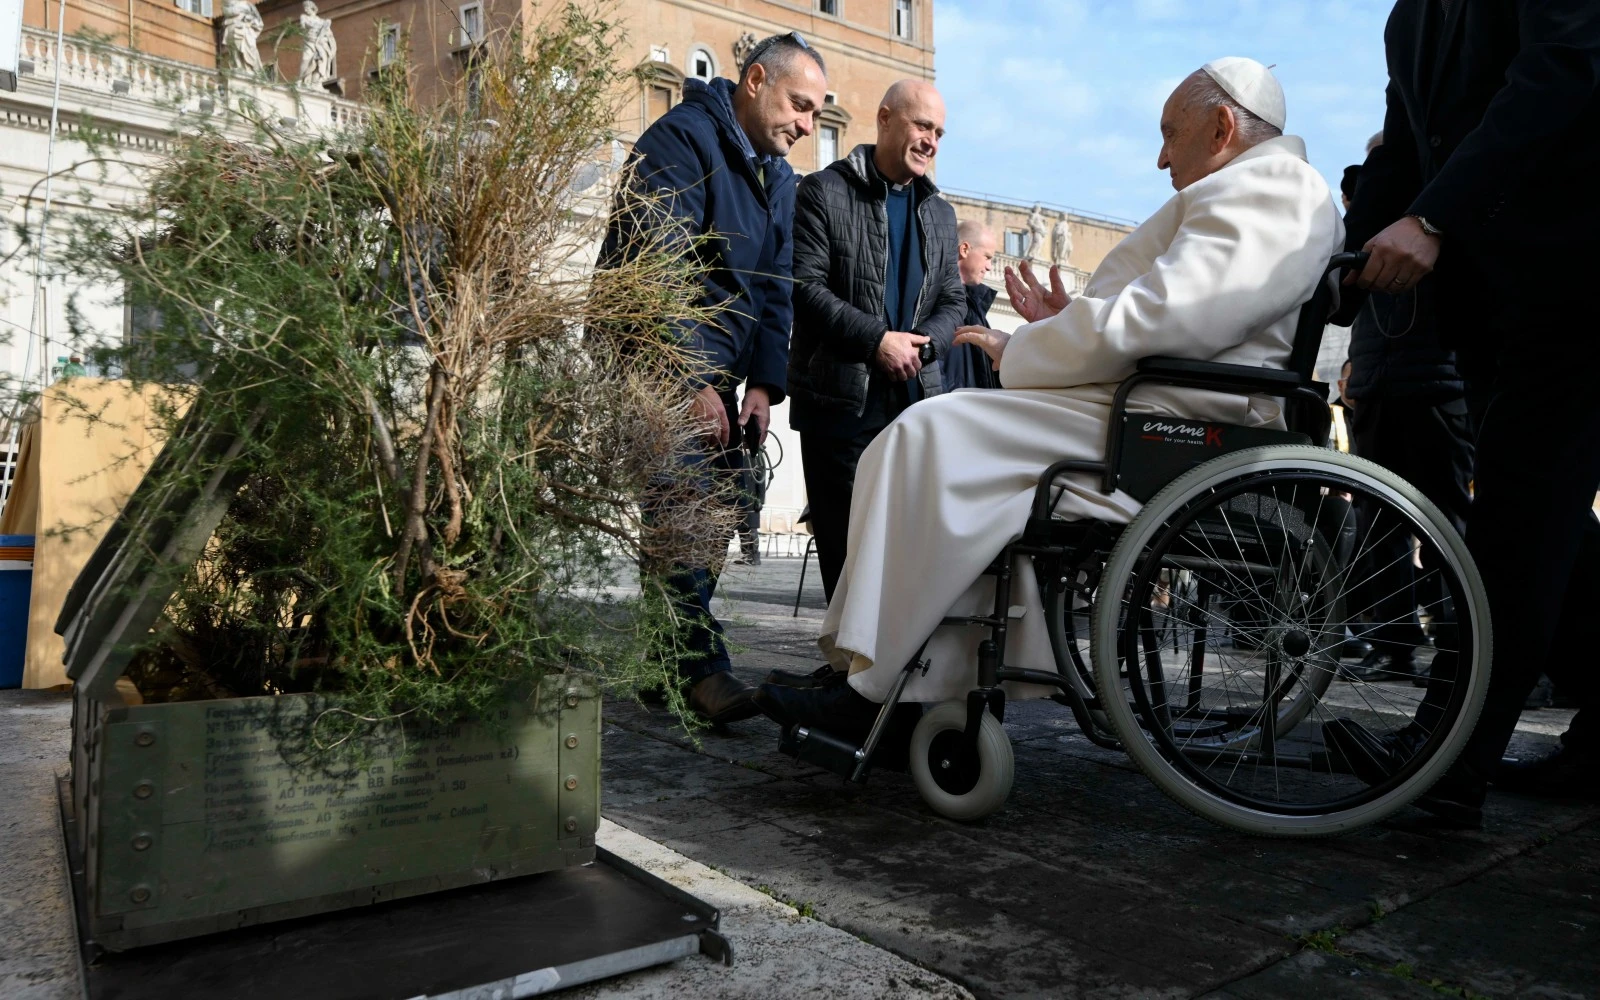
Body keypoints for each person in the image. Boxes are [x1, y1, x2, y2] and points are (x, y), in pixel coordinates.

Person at [754, 59, 1343, 736]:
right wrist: (1069, 321)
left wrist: (1028, 348)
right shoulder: (1261, 189)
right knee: (938, 442)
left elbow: (1164, 318)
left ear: (1221, 126)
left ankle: (880, 694)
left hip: (1170, 418)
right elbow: (1167, 312)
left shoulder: (1271, 189)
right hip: (1155, 403)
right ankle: (910, 681)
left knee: (929, 436)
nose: (1160, 157)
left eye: (1169, 133)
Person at [1330, 0, 1600, 824]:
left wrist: (1435, 217)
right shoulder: (1408, 19)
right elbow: (1408, 147)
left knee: (1518, 517)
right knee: (1547, 522)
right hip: (1491, 302)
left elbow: (1560, 75)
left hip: (1577, 279)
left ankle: (1449, 758)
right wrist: (1338, 260)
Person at [598, 33, 828, 724]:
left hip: (721, 365)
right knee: (682, 507)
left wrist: (762, 384)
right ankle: (701, 670)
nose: (809, 125)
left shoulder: (779, 177)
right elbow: (656, 267)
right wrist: (688, 374)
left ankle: (661, 666)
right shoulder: (680, 142)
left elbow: (774, 287)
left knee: (720, 510)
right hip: (655, 359)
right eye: (799, 105)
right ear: (754, 81)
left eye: (818, 113)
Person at [785, 80, 966, 604]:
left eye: (939, 131)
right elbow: (805, 287)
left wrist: (920, 347)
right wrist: (876, 342)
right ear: (885, 119)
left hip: (915, 407)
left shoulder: (940, 213)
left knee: (905, 552)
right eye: (921, 125)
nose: (931, 140)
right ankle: (845, 671)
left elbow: (954, 302)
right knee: (845, 552)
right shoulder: (823, 191)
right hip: (841, 405)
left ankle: (885, 673)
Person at [1338, 149, 1474, 687]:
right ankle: (1397, 641)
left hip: (1438, 381)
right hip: (1380, 380)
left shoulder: (1446, 214)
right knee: (1379, 524)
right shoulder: (1380, 224)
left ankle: (1457, 644)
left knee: (1448, 523)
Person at [942, 220, 1000, 391]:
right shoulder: (933, 297)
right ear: (964, 249)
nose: (989, 267)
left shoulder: (976, 307)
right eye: (987, 257)